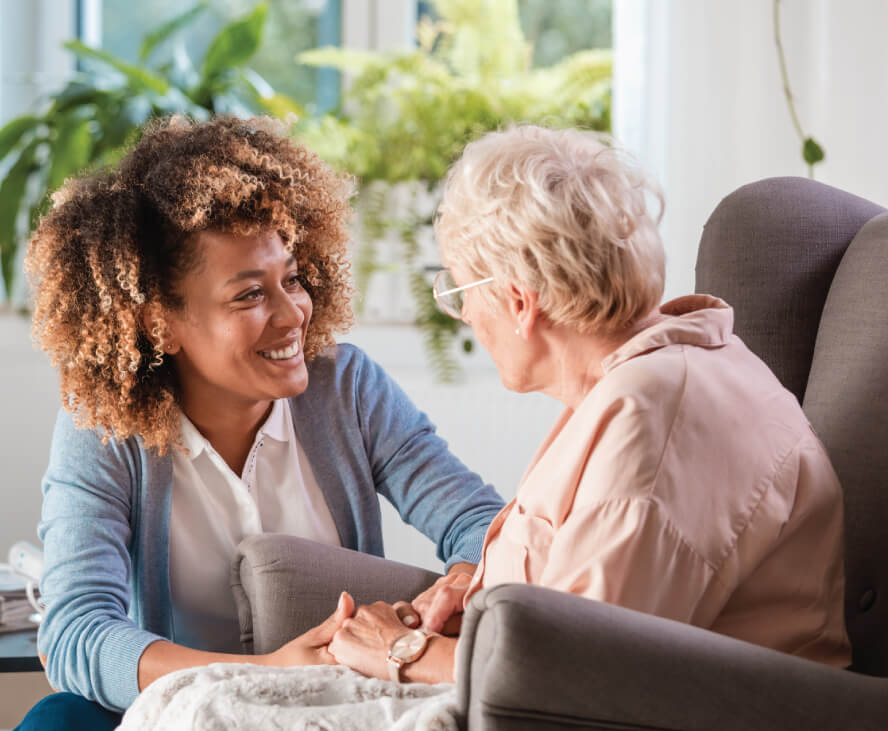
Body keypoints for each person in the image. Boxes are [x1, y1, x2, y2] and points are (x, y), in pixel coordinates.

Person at [14, 115, 503, 730]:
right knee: (57, 719)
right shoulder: (105, 429)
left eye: (291, 280)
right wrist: (262, 671)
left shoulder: (346, 388)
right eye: (249, 295)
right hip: (181, 711)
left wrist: (459, 584)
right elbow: (77, 633)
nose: (293, 313)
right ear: (159, 322)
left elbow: (480, 522)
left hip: (329, 708)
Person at [324, 125, 852, 684]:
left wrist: (403, 651)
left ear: (519, 301)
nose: (467, 317)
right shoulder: (656, 374)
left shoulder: (652, 418)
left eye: (458, 293)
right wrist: (480, 596)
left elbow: (579, 675)